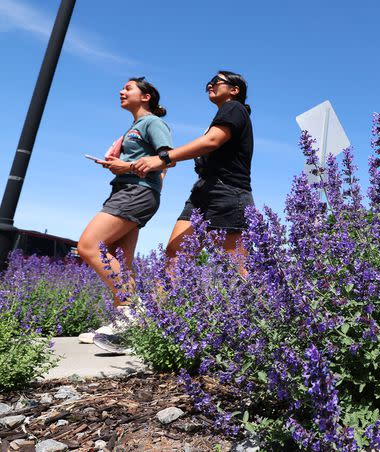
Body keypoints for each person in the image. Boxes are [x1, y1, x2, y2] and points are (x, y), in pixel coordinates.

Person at [77, 77, 173, 349]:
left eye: (128, 88)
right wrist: (117, 165)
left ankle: (134, 312)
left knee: (88, 247)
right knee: (122, 260)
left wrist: (127, 167)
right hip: (128, 192)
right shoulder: (135, 127)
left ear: (146, 97)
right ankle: (125, 325)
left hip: (136, 193)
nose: (121, 91)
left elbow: (168, 159)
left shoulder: (153, 123)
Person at [132, 71, 254, 264]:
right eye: (209, 83)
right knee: (176, 252)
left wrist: (164, 157)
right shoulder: (224, 113)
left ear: (234, 90)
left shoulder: (234, 107)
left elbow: (211, 141)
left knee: (236, 265)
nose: (210, 86)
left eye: (216, 82)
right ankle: (163, 296)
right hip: (202, 191)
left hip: (227, 192)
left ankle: (258, 295)